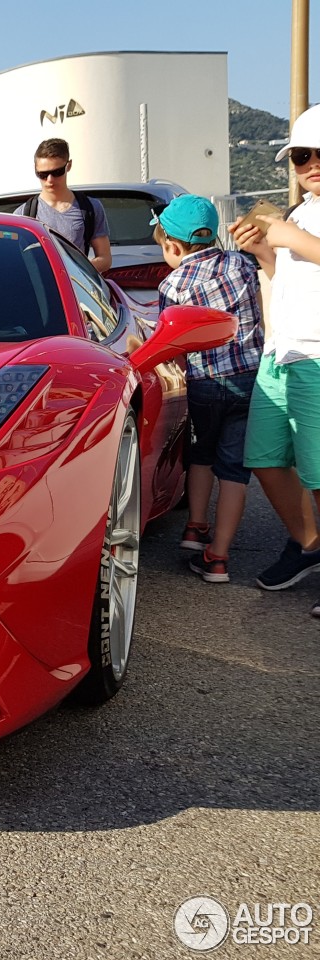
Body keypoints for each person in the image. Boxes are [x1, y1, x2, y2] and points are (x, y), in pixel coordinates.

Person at [229, 102, 320, 613]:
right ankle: (309, 545)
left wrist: (289, 239)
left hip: (316, 354)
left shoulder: (297, 225)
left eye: (318, 154)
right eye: (301, 156)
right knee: (263, 457)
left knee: (319, 472)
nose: (311, 164)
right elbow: (279, 285)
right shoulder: (299, 213)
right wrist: (266, 254)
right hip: (281, 351)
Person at [151, 195, 263, 582]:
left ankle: (195, 527)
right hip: (249, 381)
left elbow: (173, 344)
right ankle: (218, 557)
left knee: (200, 454)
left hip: (204, 385)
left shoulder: (173, 285)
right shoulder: (242, 265)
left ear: (174, 245)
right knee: (234, 468)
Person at [17, 138, 112, 273]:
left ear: (68, 166)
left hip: (74, 290)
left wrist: (73, 272)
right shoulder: (23, 214)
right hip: (39, 292)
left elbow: (104, 259)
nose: (49, 180)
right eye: (42, 174)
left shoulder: (90, 208)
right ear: (35, 169)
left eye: (57, 172)